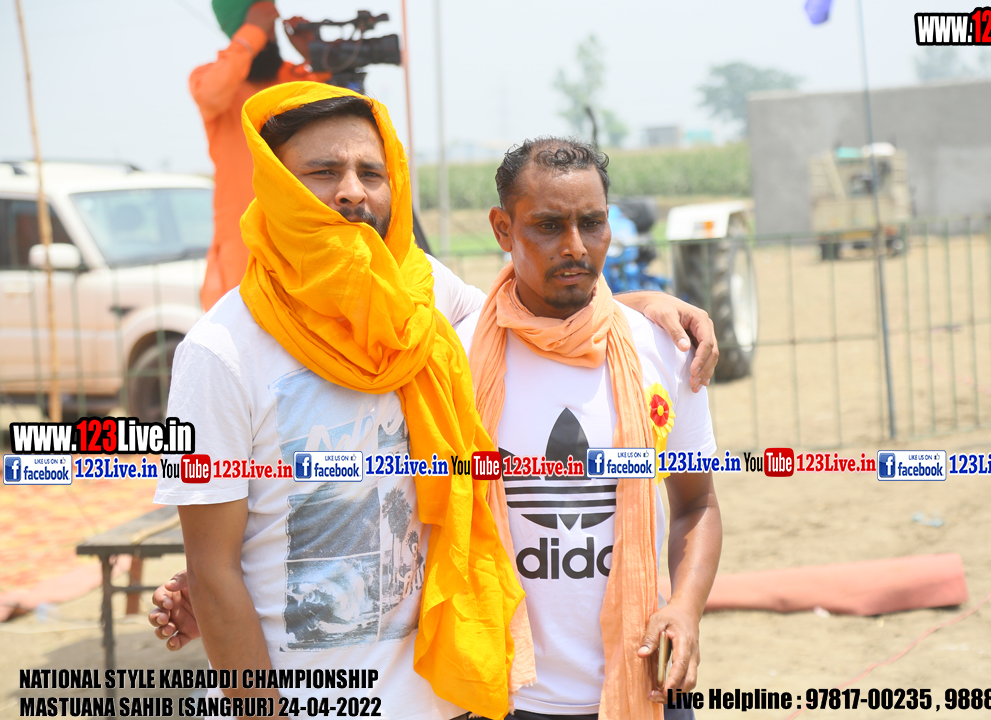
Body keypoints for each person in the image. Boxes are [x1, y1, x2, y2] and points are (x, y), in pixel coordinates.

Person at [153, 81, 719, 719]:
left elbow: (533, 312)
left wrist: (641, 309)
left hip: (443, 699)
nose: (352, 191)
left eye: (371, 172)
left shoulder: (421, 300)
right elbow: (213, 568)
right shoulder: (220, 354)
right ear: (277, 185)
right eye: (323, 171)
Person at [458, 137, 722, 719]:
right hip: (502, 694)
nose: (575, 247)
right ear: (503, 229)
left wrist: (685, 608)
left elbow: (696, 503)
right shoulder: (457, 356)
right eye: (548, 226)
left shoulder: (663, 350)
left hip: (644, 687)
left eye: (593, 223)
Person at [194, 1, 326, 310]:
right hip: (243, 247)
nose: (273, 29)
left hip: (303, 239)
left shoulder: (293, 78)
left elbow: (335, 105)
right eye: (266, 23)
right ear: (241, 27)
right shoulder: (210, 80)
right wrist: (253, 31)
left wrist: (314, 56)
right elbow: (211, 93)